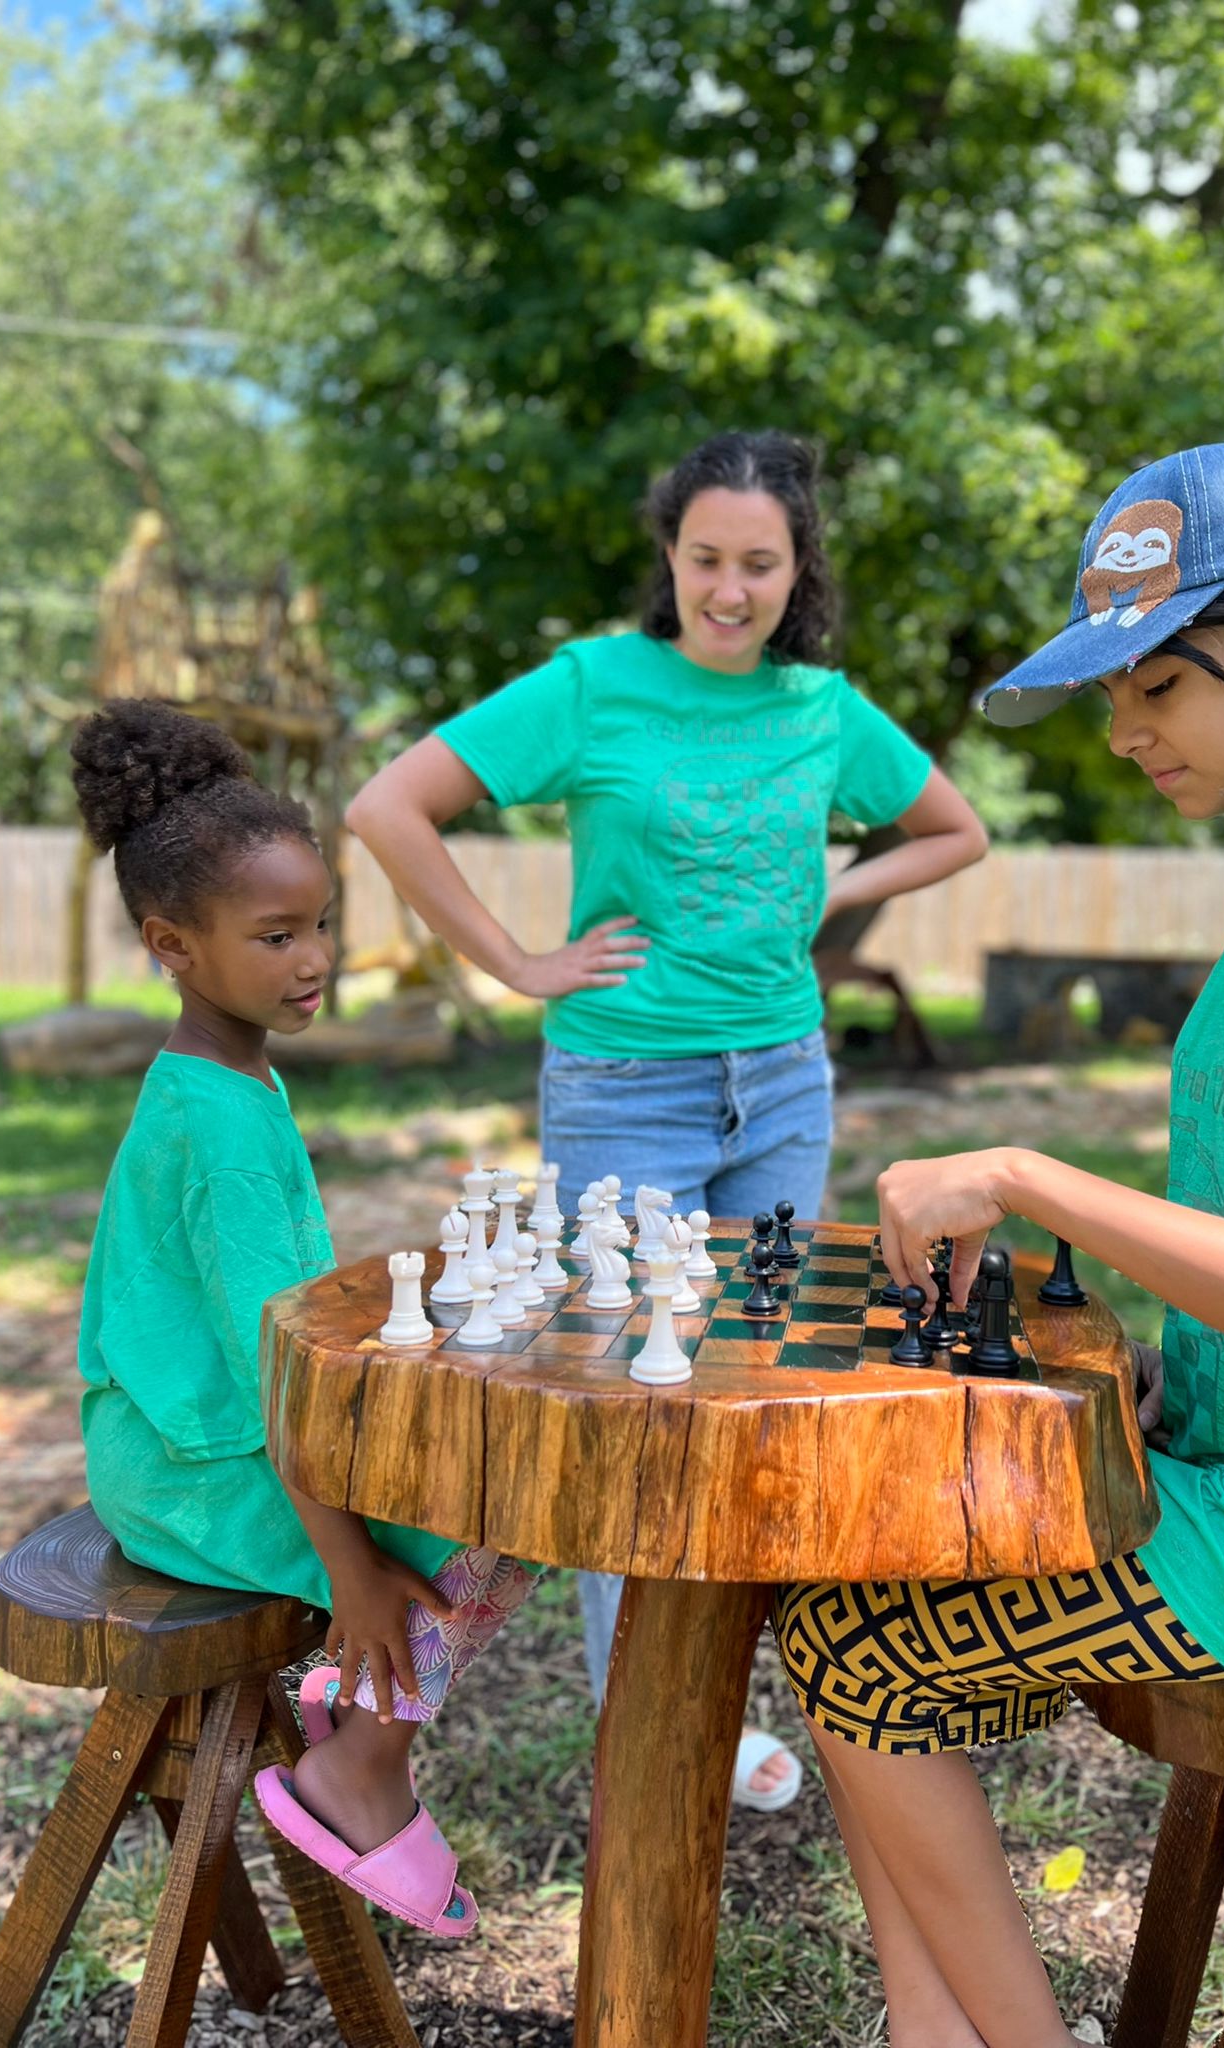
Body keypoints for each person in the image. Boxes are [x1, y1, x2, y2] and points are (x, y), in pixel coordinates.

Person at [771, 440, 1224, 2048]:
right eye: (1117, 688)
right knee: (837, 1577)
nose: (1125, 729)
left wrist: (1031, 1176)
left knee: (855, 1651)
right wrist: (1149, 1369)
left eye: (1165, 680)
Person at [345, 428, 989, 1807]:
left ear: (795, 567)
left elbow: (957, 828)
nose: (731, 589)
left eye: (760, 562)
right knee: (634, 1402)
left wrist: (834, 890)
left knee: (749, 1387)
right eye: (707, 558)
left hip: (784, 1086)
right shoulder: (593, 686)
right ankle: (628, 1706)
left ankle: (724, 1698)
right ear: (672, 557)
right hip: (624, 1084)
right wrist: (513, 963)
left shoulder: (823, 708)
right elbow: (388, 806)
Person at [70, 700, 543, 1938]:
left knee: (512, 1485)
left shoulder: (229, 1077)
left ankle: (359, 1710)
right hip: (198, 1469)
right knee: (496, 1510)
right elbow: (279, 1373)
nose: (313, 957)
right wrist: (352, 1568)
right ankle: (360, 1762)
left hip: (210, 1439)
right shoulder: (221, 1127)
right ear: (171, 943)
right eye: (274, 934)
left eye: (321, 922)